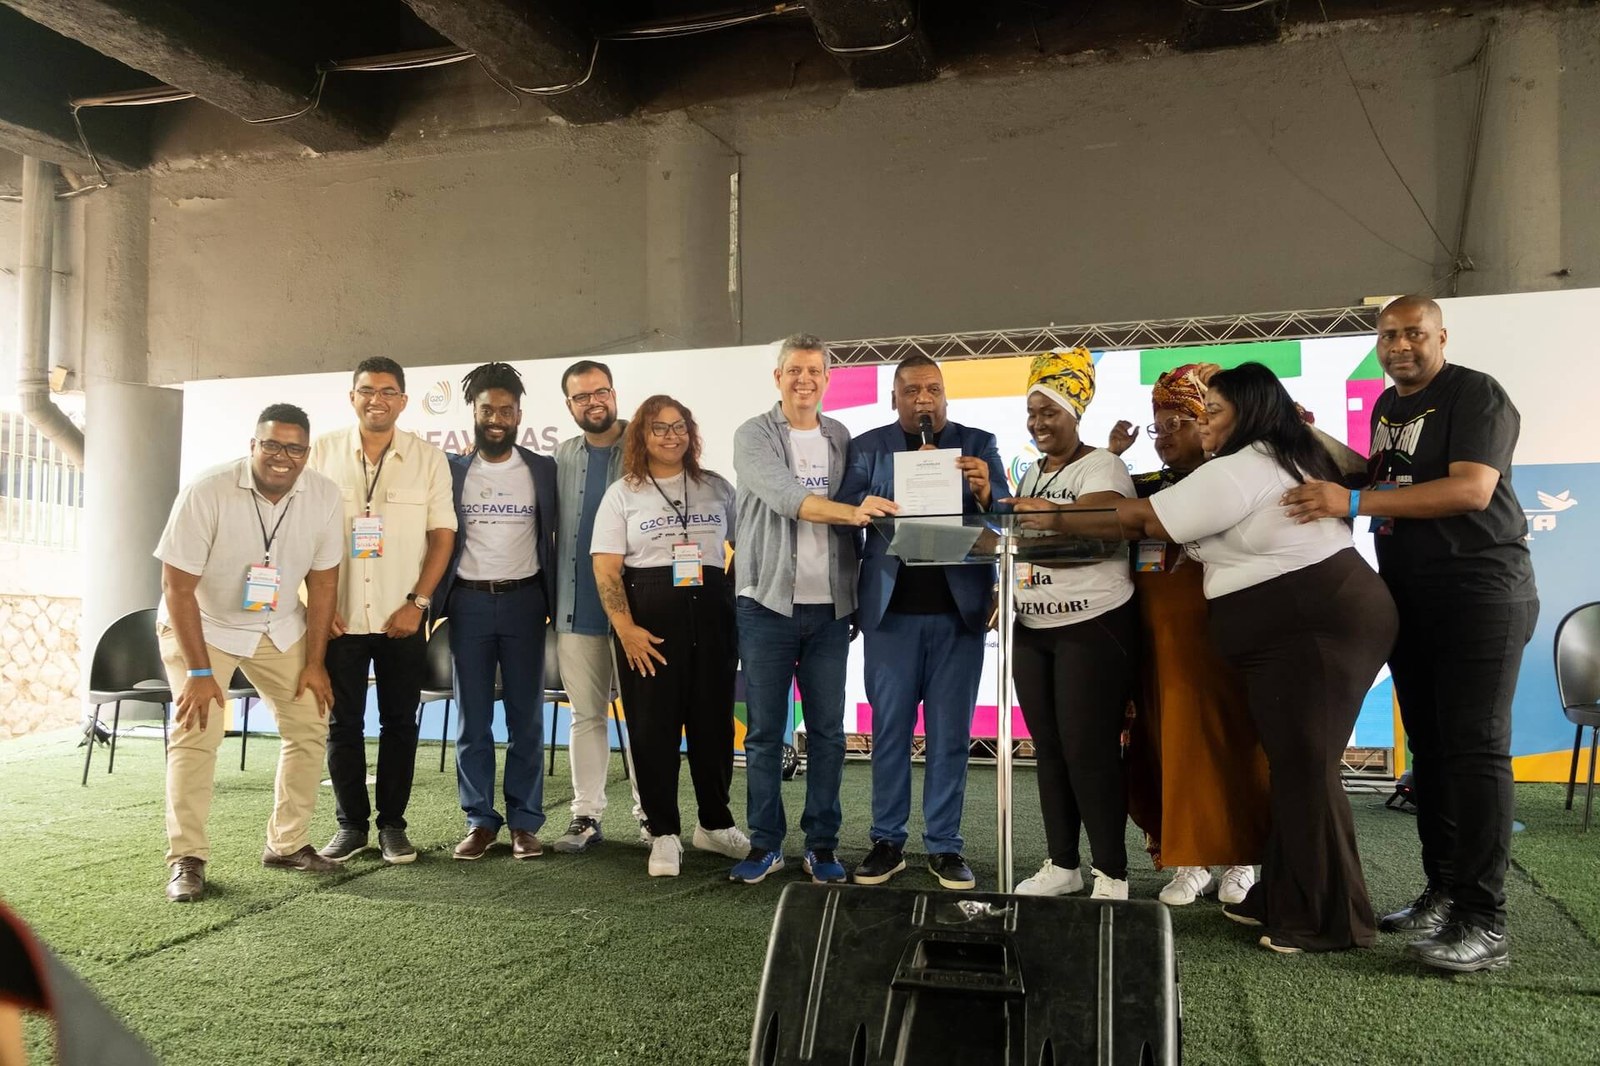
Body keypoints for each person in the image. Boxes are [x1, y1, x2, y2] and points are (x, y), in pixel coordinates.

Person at [1008, 362, 1397, 953]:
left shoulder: (1245, 464)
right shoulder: (1263, 458)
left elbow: (1144, 517)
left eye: (1212, 412)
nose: (1202, 423)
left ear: (1251, 413)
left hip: (1315, 627)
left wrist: (1054, 514)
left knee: (1306, 772)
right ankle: (1286, 895)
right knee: (1296, 769)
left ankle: (1329, 921)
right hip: (1298, 626)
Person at [1282, 295, 1539, 973]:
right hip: (1411, 597)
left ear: (1440, 336)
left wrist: (1355, 503)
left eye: (1413, 334)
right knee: (1430, 751)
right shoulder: (1390, 407)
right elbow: (1383, 475)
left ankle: (1485, 921)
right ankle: (1446, 892)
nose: (1400, 345)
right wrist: (1315, 443)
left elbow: (1470, 491)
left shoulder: (1475, 394)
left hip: (1481, 592)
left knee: (1476, 750)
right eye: (1389, 335)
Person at [153, 403, 344, 902]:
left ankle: (287, 843)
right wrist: (198, 671)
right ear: (253, 446)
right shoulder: (207, 491)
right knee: (199, 728)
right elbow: (176, 589)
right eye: (272, 445)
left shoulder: (323, 495)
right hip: (203, 624)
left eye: (295, 447)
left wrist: (316, 662)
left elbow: (324, 585)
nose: (283, 456)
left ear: (307, 452)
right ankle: (186, 859)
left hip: (278, 625)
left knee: (309, 721)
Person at [728, 334, 899, 885]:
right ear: (777, 377)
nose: (805, 379)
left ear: (827, 380)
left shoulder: (840, 435)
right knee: (764, 733)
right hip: (766, 604)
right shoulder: (753, 434)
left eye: (815, 371)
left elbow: (871, 492)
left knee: (827, 731)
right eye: (795, 370)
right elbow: (786, 499)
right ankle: (765, 845)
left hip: (830, 610)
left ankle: (821, 846)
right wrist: (854, 513)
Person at [837, 354, 1010, 890]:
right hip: (891, 616)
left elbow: (1005, 512)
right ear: (894, 398)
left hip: (958, 614)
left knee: (951, 736)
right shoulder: (868, 446)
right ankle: (887, 841)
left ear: (945, 396)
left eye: (932, 389)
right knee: (888, 731)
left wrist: (984, 491)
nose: (922, 400)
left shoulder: (978, 442)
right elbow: (843, 511)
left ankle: (944, 846)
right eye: (910, 391)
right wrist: (867, 503)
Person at [1110, 365, 1268, 908]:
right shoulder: (1144, 488)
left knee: (1233, 744)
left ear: (1208, 420)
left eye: (1179, 420)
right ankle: (1187, 860)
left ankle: (1243, 857)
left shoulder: (1235, 479)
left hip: (1222, 641)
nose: (1166, 434)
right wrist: (1111, 459)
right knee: (1165, 749)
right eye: (1158, 425)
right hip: (1156, 648)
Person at [590, 395, 750, 877]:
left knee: (713, 725)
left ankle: (715, 825)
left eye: (679, 426)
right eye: (659, 428)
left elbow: (749, 545)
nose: (671, 435)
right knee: (653, 728)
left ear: (691, 432)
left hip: (713, 616)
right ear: (641, 436)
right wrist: (626, 629)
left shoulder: (717, 487)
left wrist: (731, 594)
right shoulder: (623, 493)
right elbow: (606, 567)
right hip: (648, 626)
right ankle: (663, 833)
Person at [1005, 349, 1141, 901]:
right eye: (1032, 412)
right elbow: (1030, 543)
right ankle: (1063, 864)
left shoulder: (1103, 466)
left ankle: (1112, 872)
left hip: (1093, 626)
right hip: (1032, 627)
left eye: (1049, 411)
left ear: (1074, 412)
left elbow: (1102, 537)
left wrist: (1034, 537)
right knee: (1051, 749)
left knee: (1090, 749)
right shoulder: (1034, 471)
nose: (1038, 423)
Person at [309, 357, 456, 865]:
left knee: (400, 723)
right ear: (352, 397)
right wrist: (316, 607)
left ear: (403, 400)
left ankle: (393, 825)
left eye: (388, 391)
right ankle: (351, 826)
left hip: (402, 620)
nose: (378, 400)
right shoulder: (320, 453)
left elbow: (442, 537)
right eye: (367, 390)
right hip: (339, 619)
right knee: (342, 726)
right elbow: (298, 535)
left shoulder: (428, 458)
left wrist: (417, 604)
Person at [433, 363, 557, 862]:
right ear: (474, 413)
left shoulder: (542, 469)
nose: (497, 417)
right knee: (473, 719)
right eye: (488, 409)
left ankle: (525, 823)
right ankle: (480, 821)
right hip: (469, 602)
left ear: (519, 414)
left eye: (506, 409)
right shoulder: (450, 470)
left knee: (526, 716)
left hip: (528, 601)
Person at [551, 359, 644, 853]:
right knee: (586, 715)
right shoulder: (562, 455)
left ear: (614, 393)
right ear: (569, 406)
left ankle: (651, 816)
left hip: (638, 612)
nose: (594, 402)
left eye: (600, 392)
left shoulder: (646, 443)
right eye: (582, 397)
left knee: (644, 715)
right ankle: (585, 816)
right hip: (575, 608)